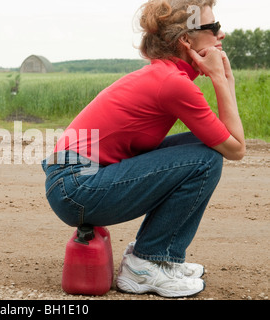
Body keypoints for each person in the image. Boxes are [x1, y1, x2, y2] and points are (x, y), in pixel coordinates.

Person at [42, 0, 245, 298]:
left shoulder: (165, 75)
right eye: (212, 27)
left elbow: (226, 142)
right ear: (185, 39)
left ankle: (162, 256)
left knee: (201, 147)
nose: (221, 34)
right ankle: (147, 262)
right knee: (205, 158)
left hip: (73, 180)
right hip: (76, 188)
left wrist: (226, 78)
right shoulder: (173, 83)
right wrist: (220, 77)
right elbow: (236, 148)